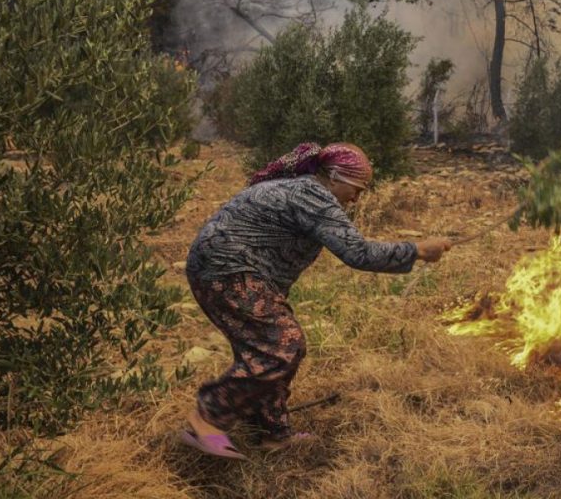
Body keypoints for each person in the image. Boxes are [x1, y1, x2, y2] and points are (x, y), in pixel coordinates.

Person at [180, 142, 451, 459]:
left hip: (222, 270)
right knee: (284, 346)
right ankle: (206, 418)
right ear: (335, 176)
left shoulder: (303, 192)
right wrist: (417, 250)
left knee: (269, 349)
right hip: (227, 271)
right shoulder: (313, 196)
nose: (358, 197)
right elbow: (358, 253)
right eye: (357, 187)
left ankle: (273, 433)